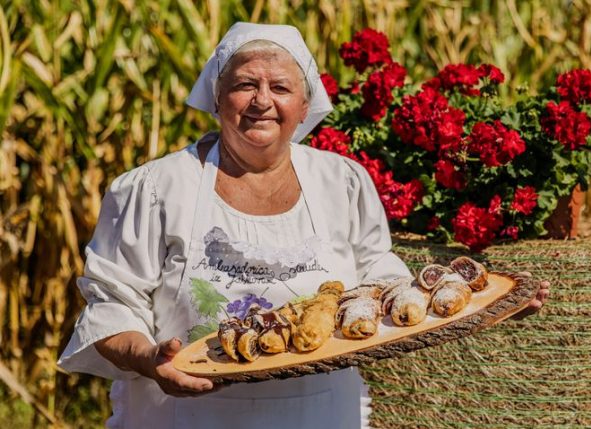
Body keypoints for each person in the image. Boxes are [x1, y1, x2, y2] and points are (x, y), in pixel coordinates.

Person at [58, 22, 548, 429]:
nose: (261, 100)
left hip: (321, 414)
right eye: (246, 84)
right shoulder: (155, 188)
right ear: (216, 96)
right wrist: (149, 359)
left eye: (280, 87)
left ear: (303, 105)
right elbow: (112, 303)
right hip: (184, 416)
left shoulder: (342, 181)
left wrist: (488, 306)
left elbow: (382, 285)